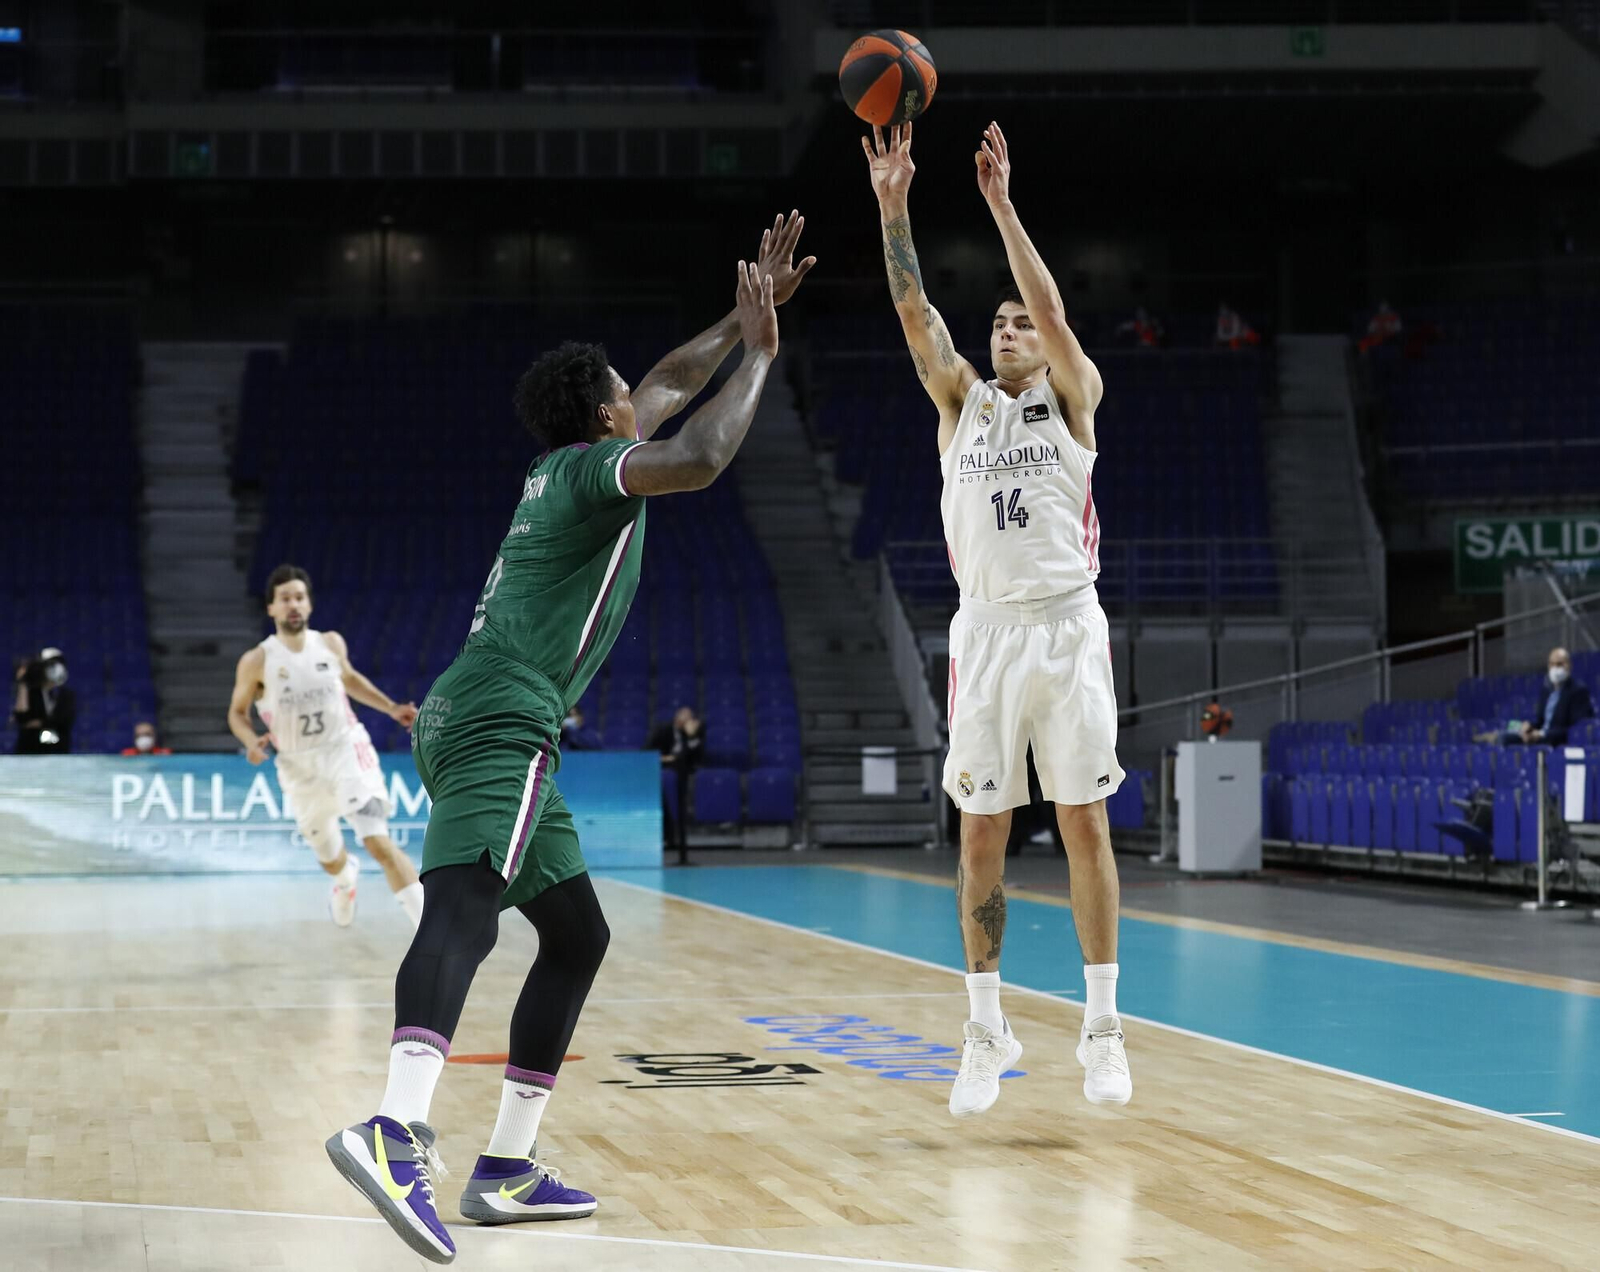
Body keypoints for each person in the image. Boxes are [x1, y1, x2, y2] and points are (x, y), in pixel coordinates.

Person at [324, 211, 813, 1265]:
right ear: (605, 415)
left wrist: (739, 319)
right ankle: (394, 1129)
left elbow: (669, 382)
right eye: (627, 396)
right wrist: (764, 356)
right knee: (464, 913)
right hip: (502, 717)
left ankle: (505, 1168)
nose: (644, 396)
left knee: (577, 936)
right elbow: (699, 456)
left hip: (488, 713)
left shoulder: (563, 468)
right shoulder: (598, 473)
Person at [863, 120, 1132, 1118]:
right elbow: (911, 309)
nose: (1009, 329)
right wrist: (893, 204)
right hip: (984, 634)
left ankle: (1102, 1027)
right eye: (999, 323)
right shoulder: (960, 405)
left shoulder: (1073, 399)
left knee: (1083, 821)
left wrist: (1000, 204)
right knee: (980, 837)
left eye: (1021, 323)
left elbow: (1053, 309)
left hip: (1066, 628)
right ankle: (985, 1031)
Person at [227, 565, 425, 930]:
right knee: (330, 859)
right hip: (298, 767)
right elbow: (237, 713)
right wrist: (250, 741)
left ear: (309, 604)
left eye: (299, 597)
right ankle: (345, 879)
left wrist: (391, 707)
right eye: (285, 598)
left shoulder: (330, 643)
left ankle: (432, 933)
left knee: (378, 842)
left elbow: (349, 679)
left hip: (344, 750)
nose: (293, 605)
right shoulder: (257, 660)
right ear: (271, 608)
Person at [651, 705, 705, 860]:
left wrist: (692, 736)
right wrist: (665, 758)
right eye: (685, 718)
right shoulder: (663, 730)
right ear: (677, 719)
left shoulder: (694, 732)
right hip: (661, 769)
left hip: (684, 772)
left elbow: (699, 757)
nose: (689, 722)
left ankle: (680, 844)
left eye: (690, 719)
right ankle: (668, 837)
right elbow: (648, 751)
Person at [1512, 647, 1593, 747]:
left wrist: (1541, 734)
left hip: (1556, 741)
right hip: (1540, 737)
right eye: (1552, 664)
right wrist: (1530, 726)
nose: (1555, 668)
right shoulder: (1546, 691)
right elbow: (1541, 722)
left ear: (1569, 665)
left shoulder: (1578, 691)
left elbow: (1575, 729)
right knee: (1506, 738)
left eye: (1559, 664)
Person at [12, 648, 75, 754]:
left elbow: (65, 721)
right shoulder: (32, 692)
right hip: (30, 751)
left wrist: (39, 723)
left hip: (58, 751)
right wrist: (23, 684)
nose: (53, 668)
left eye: (56, 664)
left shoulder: (66, 695)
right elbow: (21, 718)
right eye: (48, 665)